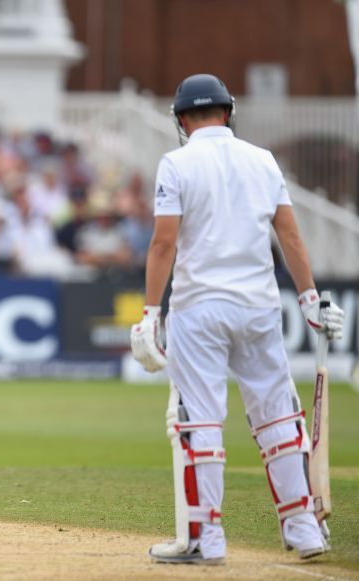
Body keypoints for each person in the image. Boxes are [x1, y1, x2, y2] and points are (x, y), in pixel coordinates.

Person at [130, 74, 345, 566]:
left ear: (182, 119)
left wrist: (148, 314)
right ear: (228, 112)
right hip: (259, 308)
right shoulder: (263, 159)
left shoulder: (176, 162)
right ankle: (305, 528)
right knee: (279, 417)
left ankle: (207, 538)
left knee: (201, 419)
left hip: (198, 307)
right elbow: (290, 237)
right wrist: (310, 299)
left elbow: (164, 243)